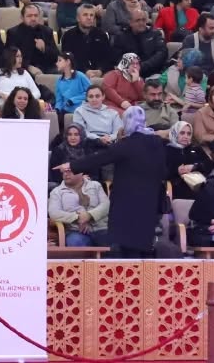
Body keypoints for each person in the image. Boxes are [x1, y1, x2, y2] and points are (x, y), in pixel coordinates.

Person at [64, 106, 172, 257]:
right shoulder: (157, 144)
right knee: (144, 246)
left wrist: (72, 166)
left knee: (127, 248)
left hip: (126, 203)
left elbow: (100, 158)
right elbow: (163, 172)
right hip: (149, 201)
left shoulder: (127, 144)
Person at [48, 167, 111, 249]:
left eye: (69, 171)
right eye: (63, 172)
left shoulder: (95, 185)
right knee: (75, 241)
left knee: (113, 243)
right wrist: (77, 218)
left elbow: (106, 205)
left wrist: (89, 215)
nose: (66, 174)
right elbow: (54, 213)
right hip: (75, 231)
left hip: (100, 228)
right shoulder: (56, 192)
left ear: (80, 173)